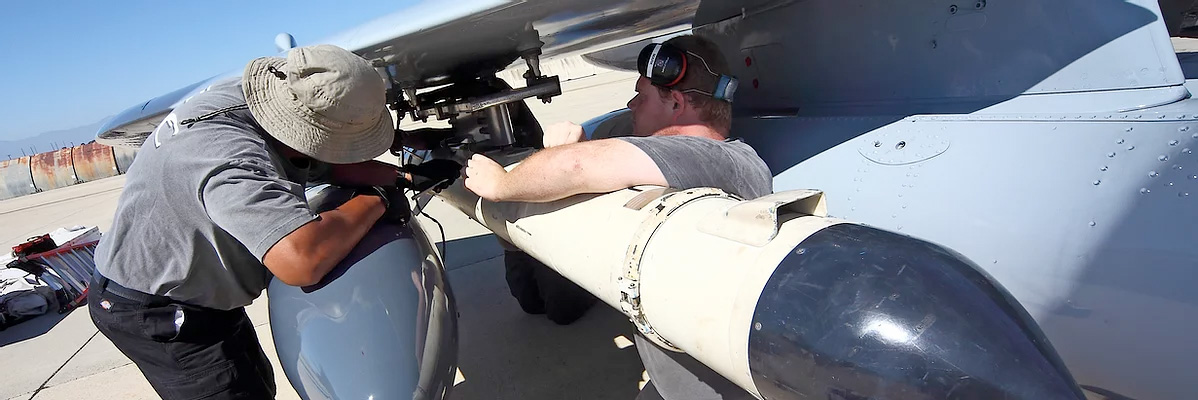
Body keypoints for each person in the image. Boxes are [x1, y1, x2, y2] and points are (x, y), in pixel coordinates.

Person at [89, 44, 459, 400]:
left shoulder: (251, 98)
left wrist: (402, 177)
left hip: (193, 290)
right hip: (160, 310)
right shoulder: (230, 157)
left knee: (253, 380)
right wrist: (376, 200)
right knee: (235, 391)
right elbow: (301, 260)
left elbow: (318, 160)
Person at [463, 35, 771, 400]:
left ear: (676, 102)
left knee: (560, 308)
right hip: (673, 379)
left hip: (703, 390)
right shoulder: (719, 159)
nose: (631, 103)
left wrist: (501, 184)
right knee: (539, 300)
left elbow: (574, 165)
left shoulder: (709, 157)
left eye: (641, 95)